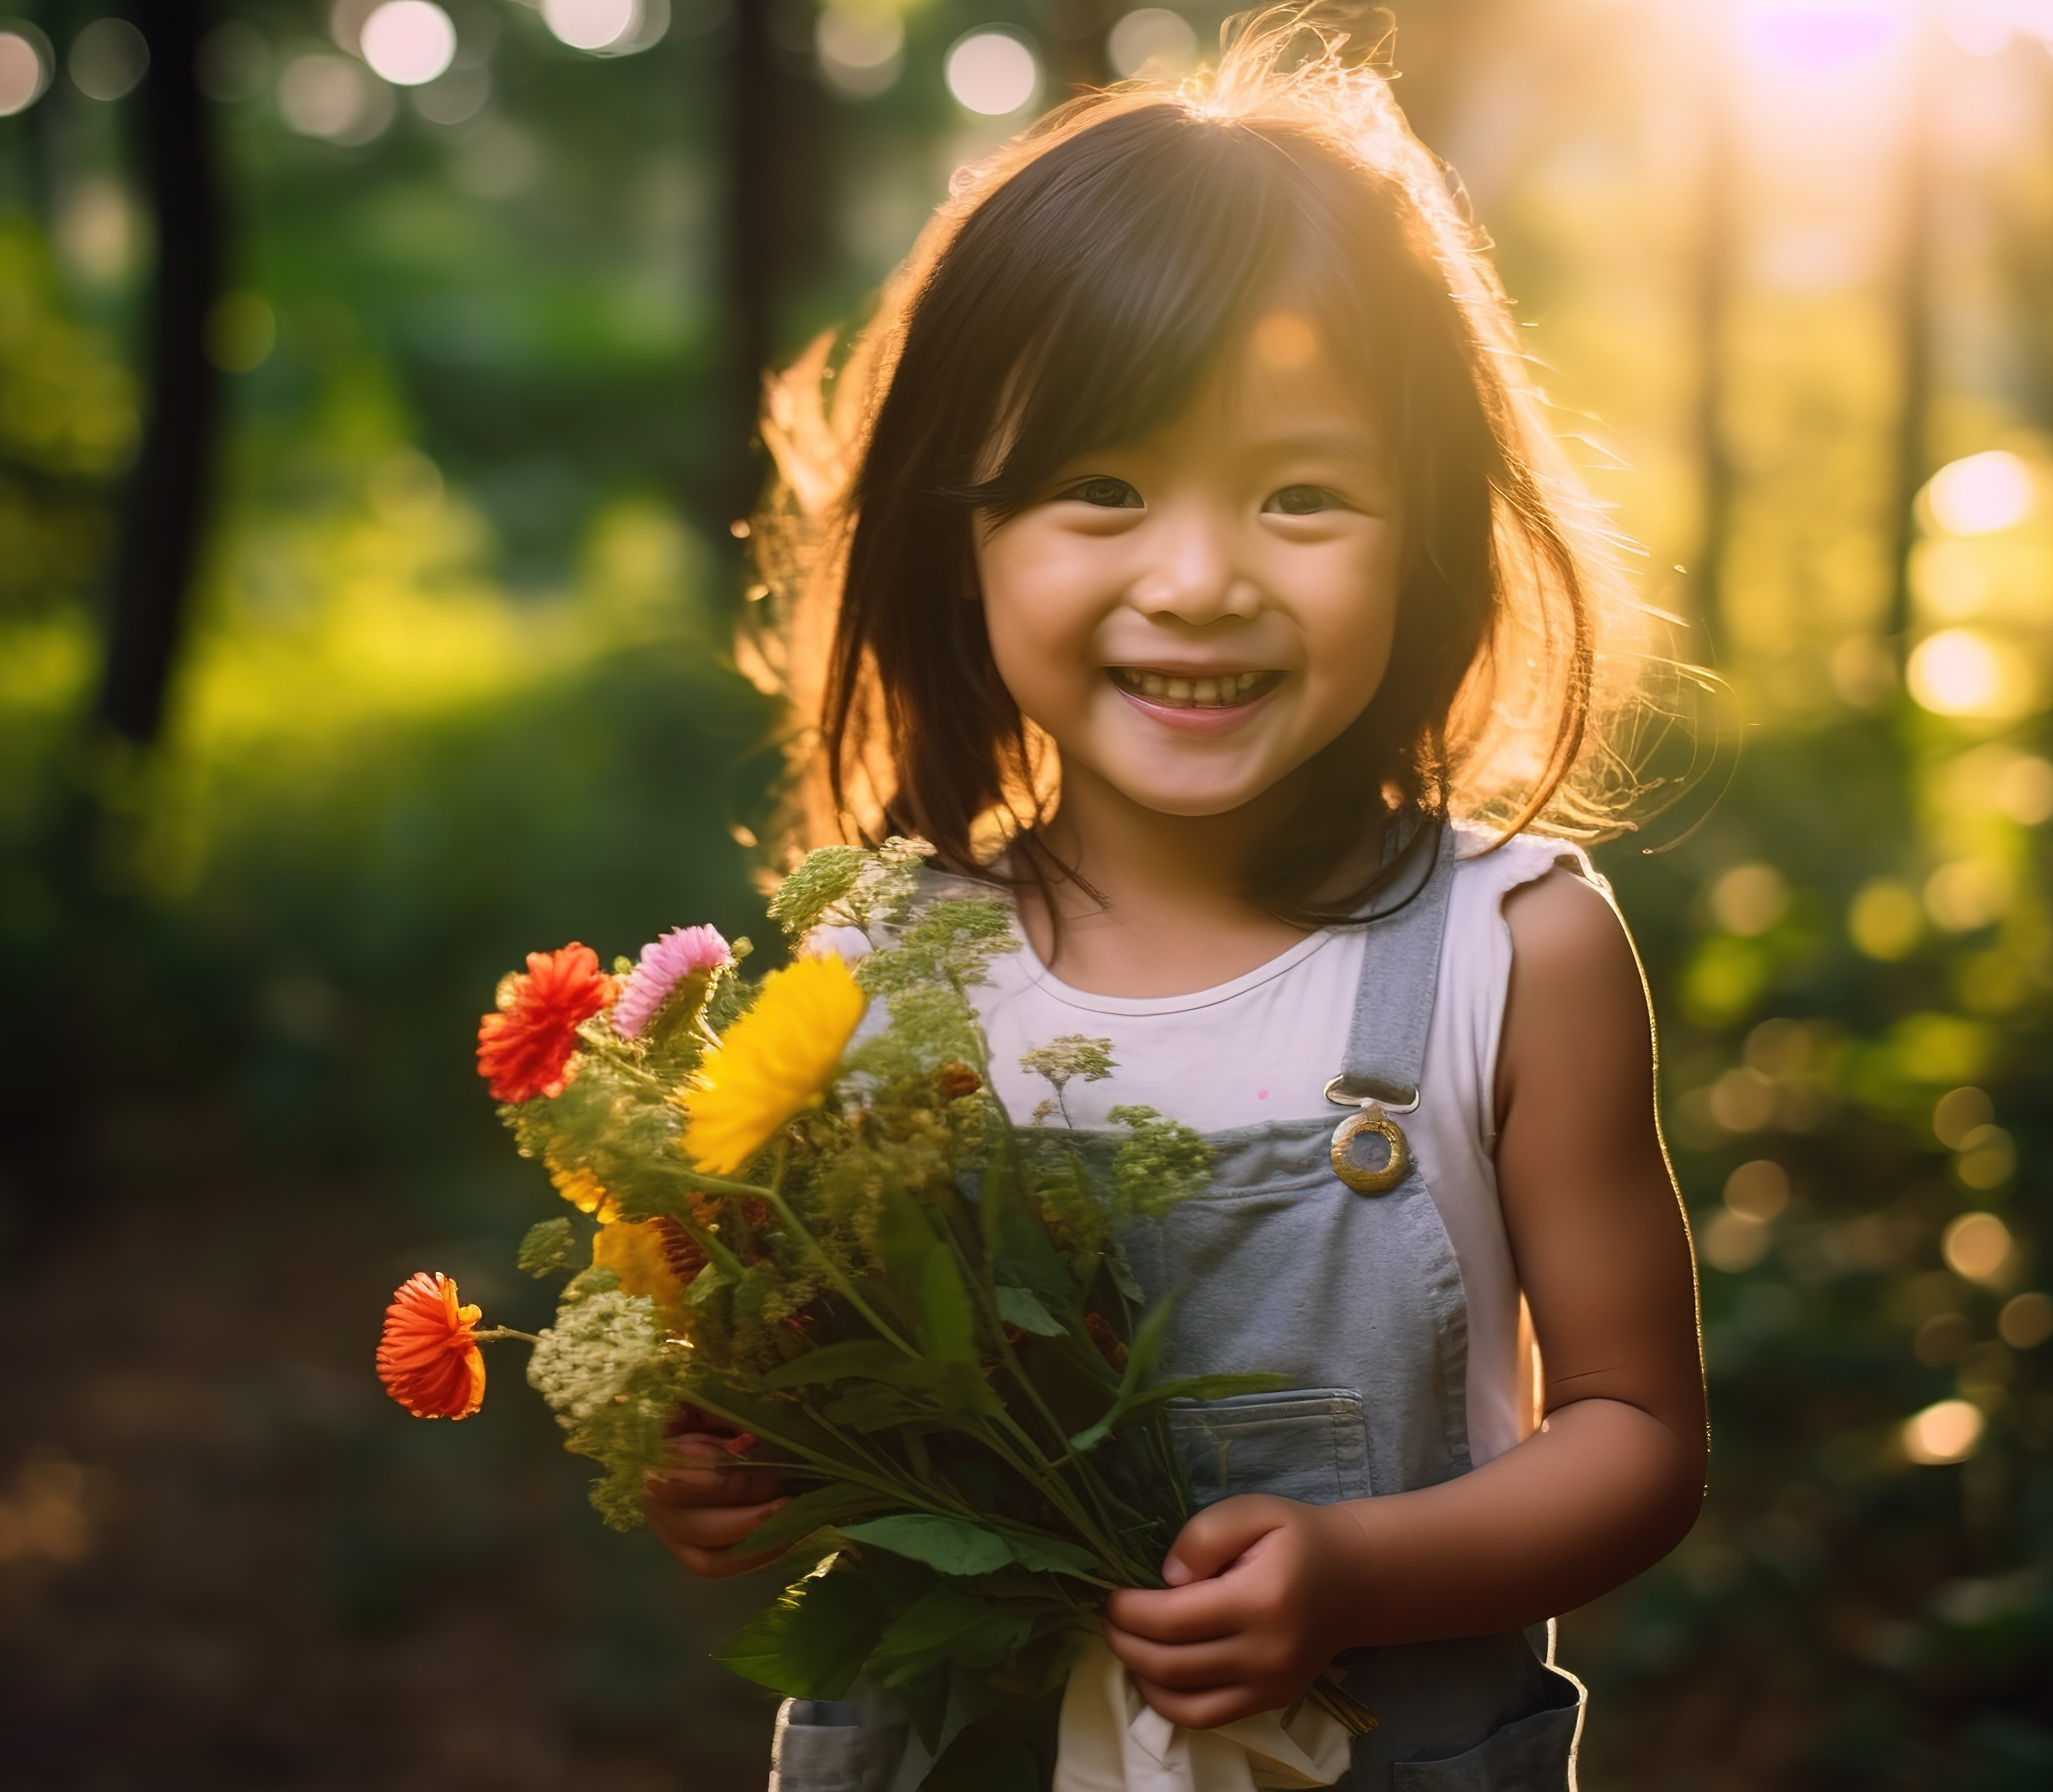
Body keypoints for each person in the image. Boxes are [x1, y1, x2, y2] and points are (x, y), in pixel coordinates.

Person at [645, 12, 1705, 1788]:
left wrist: (1361, 1572)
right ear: (960, 532)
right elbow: (821, 1414)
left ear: (1428, 530)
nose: (1198, 580)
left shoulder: (1516, 956)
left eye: (1304, 493)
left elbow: (1639, 1437)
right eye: (1103, 488)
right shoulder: (871, 971)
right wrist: (739, 1472)